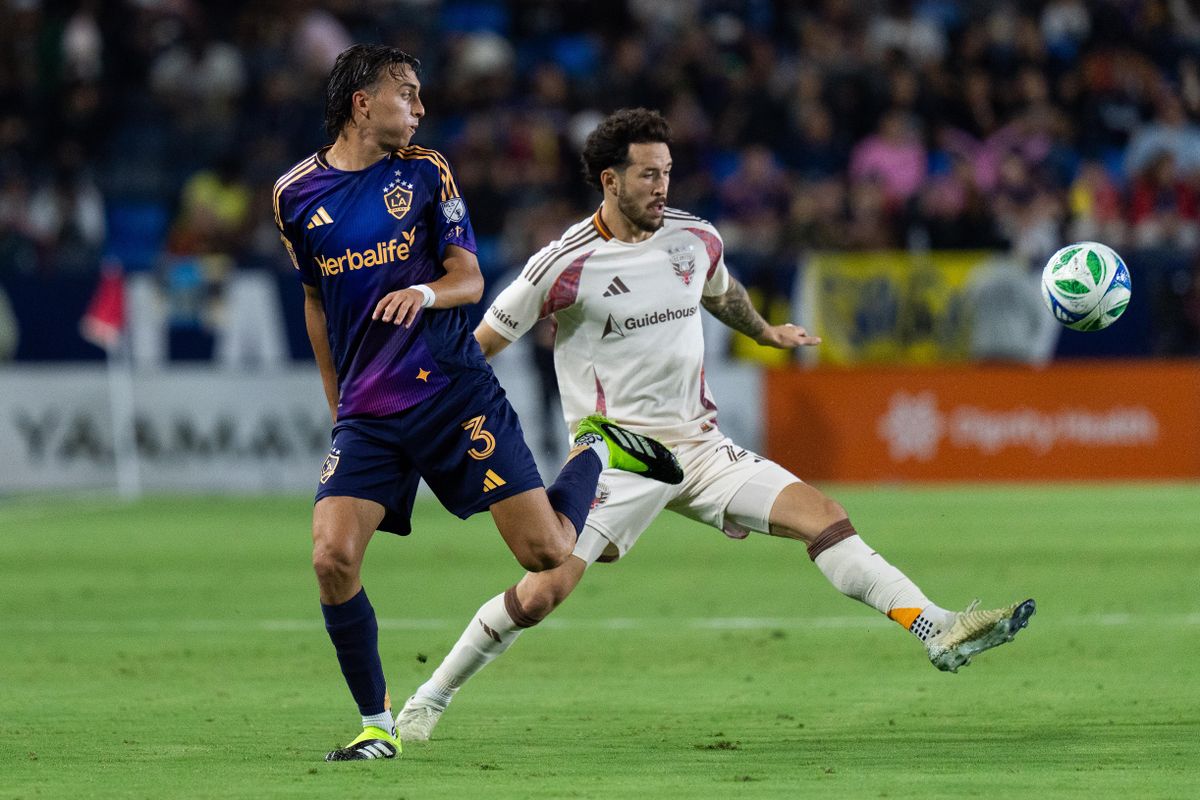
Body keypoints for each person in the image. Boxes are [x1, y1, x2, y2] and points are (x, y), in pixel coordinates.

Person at [395, 108, 1036, 741]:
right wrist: (421, 408)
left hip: (701, 448)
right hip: (615, 457)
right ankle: (428, 700)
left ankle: (937, 628)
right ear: (610, 181)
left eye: (667, 172)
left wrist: (766, 331)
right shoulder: (561, 265)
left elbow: (720, 293)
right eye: (647, 174)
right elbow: (479, 349)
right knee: (539, 596)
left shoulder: (695, 238)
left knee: (823, 516)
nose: (661, 186)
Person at [274, 50, 682, 762]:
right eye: (408, 93)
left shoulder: (426, 172)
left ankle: (598, 447)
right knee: (331, 558)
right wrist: (338, 402)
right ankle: (378, 725)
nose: (421, 107)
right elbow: (315, 301)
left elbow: (468, 275)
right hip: (371, 412)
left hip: (452, 391)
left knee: (547, 550)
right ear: (362, 104)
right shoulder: (295, 195)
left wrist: (426, 293)